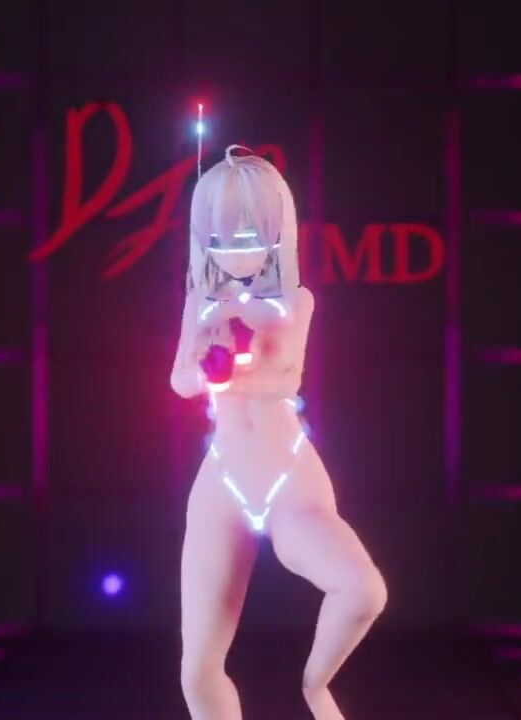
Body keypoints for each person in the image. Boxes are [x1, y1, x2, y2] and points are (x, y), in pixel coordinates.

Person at [171, 145, 388, 720]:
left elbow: (283, 373)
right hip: (222, 482)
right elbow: (180, 381)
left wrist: (232, 359)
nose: (237, 244)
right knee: (197, 672)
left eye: (250, 230)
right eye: (223, 232)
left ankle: (315, 686)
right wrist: (204, 362)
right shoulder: (199, 303)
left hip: (288, 478)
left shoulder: (294, 301)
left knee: (362, 590)